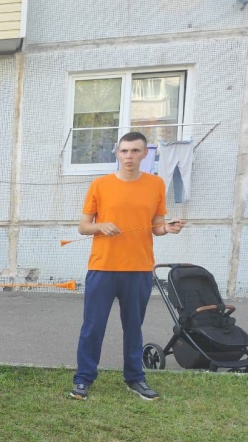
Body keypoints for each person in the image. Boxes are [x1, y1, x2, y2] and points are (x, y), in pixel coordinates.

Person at [69, 131, 185, 401]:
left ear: (146, 154)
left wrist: (168, 228)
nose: (129, 156)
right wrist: (100, 225)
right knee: (92, 327)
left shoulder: (156, 185)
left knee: (134, 328)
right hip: (103, 268)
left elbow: (156, 227)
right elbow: (83, 226)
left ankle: (135, 378)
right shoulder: (100, 185)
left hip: (139, 270)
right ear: (117, 153)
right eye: (124, 151)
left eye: (135, 151)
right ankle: (83, 379)